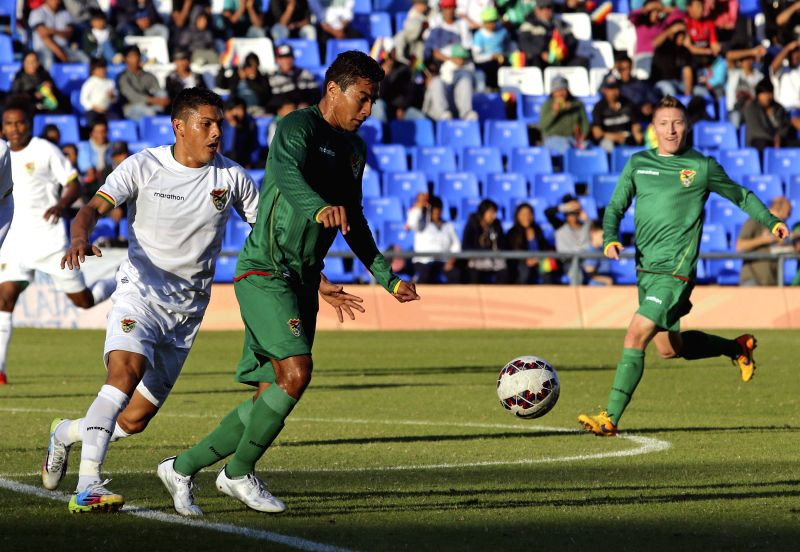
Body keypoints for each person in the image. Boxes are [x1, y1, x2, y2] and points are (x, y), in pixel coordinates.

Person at [42, 87, 368, 511]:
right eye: (206, 124)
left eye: (220, 124)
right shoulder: (143, 166)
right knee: (124, 371)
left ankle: (65, 432)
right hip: (140, 296)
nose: (217, 132)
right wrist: (81, 235)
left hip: (186, 313)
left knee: (134, 420)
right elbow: (92, 208)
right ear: (179, 126)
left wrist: (318, 279)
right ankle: (88, 486)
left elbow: (270, 239)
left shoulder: (231, 178)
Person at [159, 52, 420, 516]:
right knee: (297, 372)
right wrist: (318, 206)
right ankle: (237, 474)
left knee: (270, 392)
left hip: (301, 280)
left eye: (373, 102)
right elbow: (285, 175)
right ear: (334, 91)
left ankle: (181, 467)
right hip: (264, 271)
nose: (367, 111)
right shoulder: (298, 127)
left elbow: (353, 219)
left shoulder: (355, 151)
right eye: (362, 99)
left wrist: (387, 277)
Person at [577, 96, 790, 437]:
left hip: (675, 273)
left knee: (635, 335)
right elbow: (616, 205)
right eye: (664, 123)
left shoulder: (701, 167)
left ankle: (610, 418)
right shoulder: (638, 164)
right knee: (668, 349)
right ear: (654, 129)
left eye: (677, 122)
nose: (671, 129)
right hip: (645, 271)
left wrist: (771, 220)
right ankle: (736, 348)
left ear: (687, 126)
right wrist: (610, 237)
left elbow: (740, 195)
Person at [0, 97, 116, 386]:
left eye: (20, 123)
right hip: (14, 240)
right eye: (9, 123)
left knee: (83, 301)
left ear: (29, 124)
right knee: (4, 299)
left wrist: (61, 205)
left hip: (50, 240)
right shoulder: (2, 153)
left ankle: (116, 280)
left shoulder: (45, 150)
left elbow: (73, 183)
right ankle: (0, 369)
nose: (15, 129)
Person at [736, 197, 793, 286]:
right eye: (787, 214)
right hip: (753, 279)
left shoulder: (781, 226)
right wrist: (762, 240)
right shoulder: (755, 220)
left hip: (772, 280)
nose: (788, 217)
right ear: (778, 210)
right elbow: (740, 246)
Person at [406, 194, 461, 283]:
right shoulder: (422, 224)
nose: (436, 211)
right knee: (426, 274)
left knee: (455, 274)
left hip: (442, 262)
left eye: (438, 208)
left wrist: (451, 260)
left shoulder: (448, 226)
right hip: (423, 262)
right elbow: (412, 222)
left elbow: (456, 245)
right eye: (434, 208)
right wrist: (419, 206)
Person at [518, 0, 585, 69]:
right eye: (542, 7)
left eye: (549, 7)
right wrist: (541, 53)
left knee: (581, 61)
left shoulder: (560, 24)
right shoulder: (529, 24)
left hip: (560, 58)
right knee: (533, 61)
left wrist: (561, 50)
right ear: (536, 10)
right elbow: (523, 44)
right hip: (539, 59)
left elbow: (572, 41)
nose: (546, 10)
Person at [742, 78, 799, 153]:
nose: (767, 96)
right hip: (759, 140)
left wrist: (779, 136)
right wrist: (773, 138)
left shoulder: (778, 108)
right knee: (763, 144)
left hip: (780, 140)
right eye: (764, 93)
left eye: (770, 93)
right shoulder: (751, 108)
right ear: (758, 94)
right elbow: (756, 129)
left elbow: (785, 126)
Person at [591, 73, 643, 153]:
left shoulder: (628, 104)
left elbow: (635, 124)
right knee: (607, 145)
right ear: (605, 90)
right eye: (611, 89)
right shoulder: (599, 107)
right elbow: (597, 133)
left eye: (617, 88)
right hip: (609, 140)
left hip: (627, 138)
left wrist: (637, 133)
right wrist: (614, 137)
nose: (615, 92)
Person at [29, 0, 89, 69]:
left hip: (64, 48)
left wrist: (51, 31)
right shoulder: (37, 12)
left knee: (85, 59)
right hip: (43, 49)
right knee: (49, 61)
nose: (56, 1)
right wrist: (60, 53)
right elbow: (44, 35)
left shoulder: (65, 13)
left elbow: (69, 33)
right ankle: (47, 79)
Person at [118, 45, 171, 121]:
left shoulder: (148, 75)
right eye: (131, 57)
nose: (135, 59)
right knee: (149, 112)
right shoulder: (123, 77)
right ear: (125, 59)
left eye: (137, 56)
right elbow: (132, 96)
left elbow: (157, 90)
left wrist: (164, 99)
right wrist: (153, 100)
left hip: (151, 104)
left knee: (163, 94)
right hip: (131, 107)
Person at [539, 75, 589, 155]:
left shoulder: (577, 104)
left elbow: (585, 123)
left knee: (589, 148)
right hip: (553, 138)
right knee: (568, 149)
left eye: (563, 90)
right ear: (553, 92)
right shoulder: (547, 105)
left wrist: (583, 136)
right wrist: (554, 112)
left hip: (573, 138)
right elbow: (542, 126)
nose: (561, 93)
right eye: (557, 90)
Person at [506, 202, 554, 285]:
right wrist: (525, 260)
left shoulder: (537, 229)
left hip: (539, 260)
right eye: (523, 214)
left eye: (529, 214)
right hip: (521, 262)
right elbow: (514, 251)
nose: (526, 217)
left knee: (547, 270)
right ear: (517, 216)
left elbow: (544, 246)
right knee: (524, 273)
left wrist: (542, 257)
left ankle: (547, 294)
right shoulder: (512, 232)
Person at [265, 44, 320, 116]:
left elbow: (316, 94)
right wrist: (285, 105)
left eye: (288, 57)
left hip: (305, 110)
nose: (286, 61)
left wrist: (306, 103)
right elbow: (269, 100)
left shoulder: (305, 74)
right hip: (282, 113)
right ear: (277, 60)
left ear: (293, 58)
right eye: (282, 58)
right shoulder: (270, 77)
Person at [463, 198, 506, 283]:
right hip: (476, 260)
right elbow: (466, 246)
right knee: (473, 274)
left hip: (493, 260)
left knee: (504, 272)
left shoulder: (496, 225)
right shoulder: (472, 225)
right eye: (491, 212)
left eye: (495, 213)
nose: (494, 216)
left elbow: (502, 244)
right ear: (483, 212)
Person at [216, 53, 272, 117]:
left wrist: (248, 79)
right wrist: (222, 67)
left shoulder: (262, 78)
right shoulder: (236, 77)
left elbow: (265, 93)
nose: (253, 68)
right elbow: (220, 84)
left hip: (258, 109)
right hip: (238, 109)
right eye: (250, 65)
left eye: (255, 65)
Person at [725, 44, 767, 127]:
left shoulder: (759, 77)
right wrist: (752, 52)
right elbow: (729, 56)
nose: (747, 62)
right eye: (744, 59)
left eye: (750, 59)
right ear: (740, 62)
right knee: (735, 119)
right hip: (736, 110)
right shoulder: (734, 73)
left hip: (753, 111)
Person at [552, 194, 591, 284]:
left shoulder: (586, 225)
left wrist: (586, 218)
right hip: (567, 261)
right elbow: (547, 212)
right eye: (570, 213)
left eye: (576, 212)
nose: (573, 216)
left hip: (585, 259)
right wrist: (565, 207)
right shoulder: (559, 226)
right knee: (575, 269)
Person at [471, 6, 509, 90]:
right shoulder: (479, 36)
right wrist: (491, 56)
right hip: (486, 66)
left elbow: (509, 45)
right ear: (484, 22)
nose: (492, 25)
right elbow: (476, 58)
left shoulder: (503, 31)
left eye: (493, 21)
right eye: (489, 22)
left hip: (503, 62)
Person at [221, 97, 260, 168]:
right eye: (231, 109)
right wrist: (232, 127)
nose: (234, 113)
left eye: (238, 109)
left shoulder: (250, 125)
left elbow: (254, 147)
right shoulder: (221, 125)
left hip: (244, 163)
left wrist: (251, 163)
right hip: (224, 163)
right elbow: (228, 148)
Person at [80, 57, 119, 125]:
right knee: (93, 121)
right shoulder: (89, 83)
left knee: (116, 119)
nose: (102, 70)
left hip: (106, 111)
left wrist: (112, 97)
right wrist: (95, 108)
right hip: (92, 111)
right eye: (99, 68)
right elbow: (83, 99)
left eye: (104, 68)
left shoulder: (110, 82)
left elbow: (115, 98)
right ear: (93, 70)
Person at [393, 0, 429, 66]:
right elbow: (411, 33)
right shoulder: (412, 14)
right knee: (400, 37)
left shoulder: (430, 13)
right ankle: (400, 59)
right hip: (412, 40)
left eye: (424, 4)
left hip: (423, 43)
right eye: (420, 4)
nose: (423, 6)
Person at [769, 40, 800, 112]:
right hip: (784, 109)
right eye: (792, 53)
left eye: (797, 52)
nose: (795, 55)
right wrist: (788, 48)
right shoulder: (782, 67)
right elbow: (773, 67)